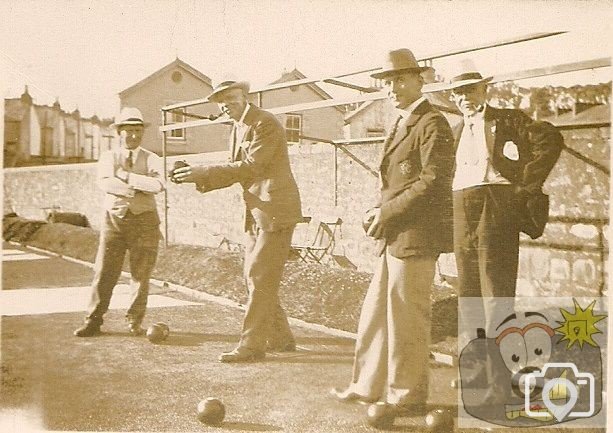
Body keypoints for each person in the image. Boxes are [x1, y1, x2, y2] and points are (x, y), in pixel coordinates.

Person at [331, 49, 455, 413]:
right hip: (396, 234)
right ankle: (367, 385)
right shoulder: (402, 122)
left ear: (420, 80)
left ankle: (408, 396)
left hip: (416, 236)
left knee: (407, 319)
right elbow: (397, 184)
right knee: (376, 313)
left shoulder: (432, 123)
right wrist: (379, 212)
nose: (393, 87)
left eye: (400, 79)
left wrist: (385, 212)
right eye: (388, 81)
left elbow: (432, 182)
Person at [443, 67, 563, 402]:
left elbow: (550, 139)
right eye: (458, 92)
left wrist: (526, 185)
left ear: (484, 91)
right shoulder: (455, 130)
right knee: (467, 290)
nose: (465, 97)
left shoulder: (509, 119)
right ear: (453, 97)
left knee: (495, 291)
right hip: (461, 206)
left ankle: (499, 375)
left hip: (497, 204)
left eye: (470, 90)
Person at [172, 80, 302, 363]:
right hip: (257, 210)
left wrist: (203, 172)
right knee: (255, 276)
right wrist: (196, 175)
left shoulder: (265, 124)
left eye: (230, 99)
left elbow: (252, 167)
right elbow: (238, 172)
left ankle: (252, 346)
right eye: (221, 101)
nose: (225, 105)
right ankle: (280, 338)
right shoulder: (238, 127)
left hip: (275, 210)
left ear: (245, 97)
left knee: (258, 275)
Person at [74, 107, 165, 337]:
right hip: (114, 220)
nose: (134, 135)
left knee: (141, 274)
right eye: (129, 131)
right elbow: (105, 184)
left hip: (145, 222)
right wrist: (135, 187)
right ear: (119, 133)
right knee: (105, 271)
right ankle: (93, 320)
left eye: (138, 130)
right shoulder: (108, 157)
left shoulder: (152, 158)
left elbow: (158, 186)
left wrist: (126, 177)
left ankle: (135, 320)